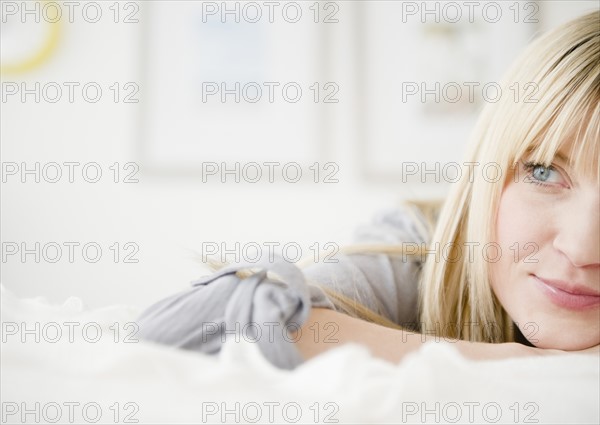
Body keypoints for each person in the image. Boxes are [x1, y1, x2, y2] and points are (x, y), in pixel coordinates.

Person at [136, 11, 599, 369]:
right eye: (542, 171)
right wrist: (515, 367)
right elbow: (197, 322)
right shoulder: (421, 250)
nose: (581, 247)